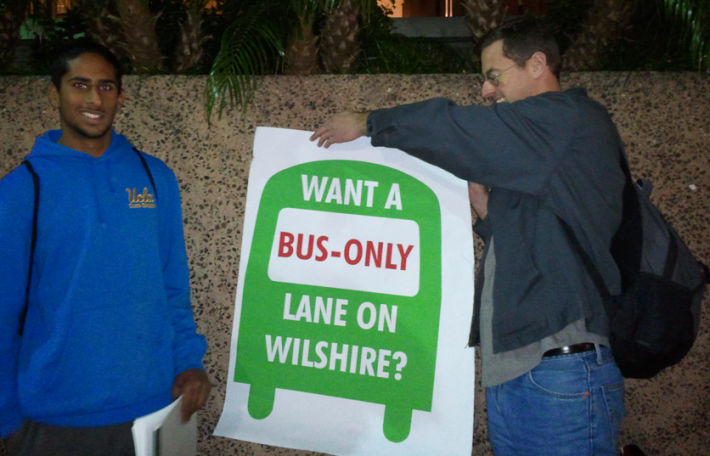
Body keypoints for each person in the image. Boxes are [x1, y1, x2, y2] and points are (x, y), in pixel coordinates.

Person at [311, 17, 626, 456]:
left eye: (494, 76)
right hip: (524, 371)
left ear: (537, 64)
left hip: (559, 368)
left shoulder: (562, 118)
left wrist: (370, 122)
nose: (486, 91)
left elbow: (454, 128)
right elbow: (543, 238)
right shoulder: (542, 148)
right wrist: (486, 214)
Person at [0, 42, 211, 456]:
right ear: (54, 93)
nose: (95, 99)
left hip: (151, 409)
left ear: (121, 96)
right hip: (54, 418)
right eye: (80, 85)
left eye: (107, 87)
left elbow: (172, 286)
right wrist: (8, 420)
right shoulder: (23, 190)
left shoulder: (155, 177)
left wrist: (188, 361)